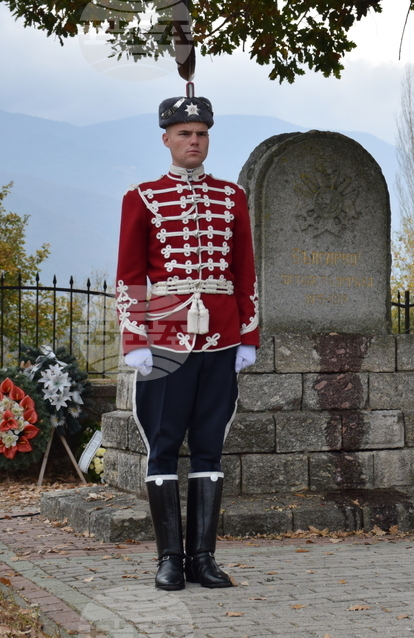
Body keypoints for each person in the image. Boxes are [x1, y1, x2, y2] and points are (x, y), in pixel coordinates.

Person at [115, 94, 259, 590]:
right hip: (163, 341)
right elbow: (131, 277)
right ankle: (168, 559)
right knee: (162, 447)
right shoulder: (142, 197)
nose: (193, 141)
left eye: (200, 134)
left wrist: (248, 335)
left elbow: (245, 272)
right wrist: (135, 336)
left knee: (209, 449)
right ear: (167, 140)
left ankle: (203, 558)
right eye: (184, 134)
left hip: (221, 337)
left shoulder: (232, 196)